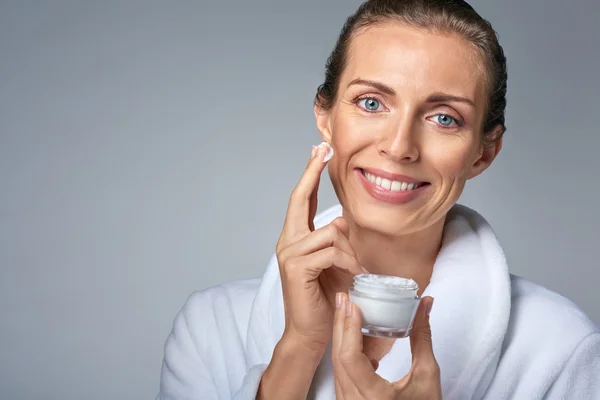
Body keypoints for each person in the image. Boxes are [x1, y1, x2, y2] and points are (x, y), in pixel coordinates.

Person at [156, 0, 600, 399]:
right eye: (371, 103)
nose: (399, 145)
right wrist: (297, 351)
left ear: (484, 152)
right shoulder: (210, 329)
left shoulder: (559, 347)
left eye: (444, 118)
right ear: (325, 117)